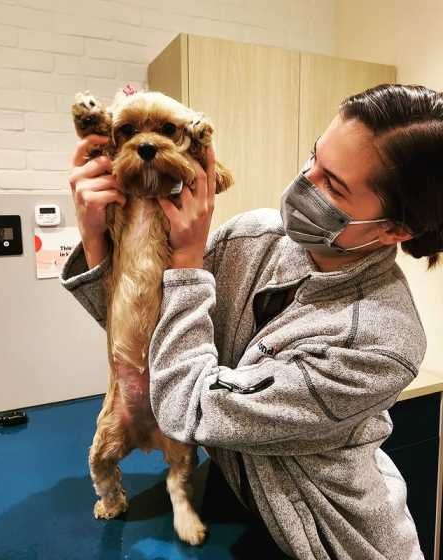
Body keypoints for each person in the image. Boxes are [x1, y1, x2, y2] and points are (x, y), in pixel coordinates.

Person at [60, 83, 443, 559]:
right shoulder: (253, 236)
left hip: (324, 536)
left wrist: (186, 260)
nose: (305, 181)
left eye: (333, 185)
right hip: (236, 497)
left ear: (395, 229)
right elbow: (149, 340)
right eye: (313, 159)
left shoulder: (380, 342)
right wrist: (99, 238)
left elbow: (190, 408)